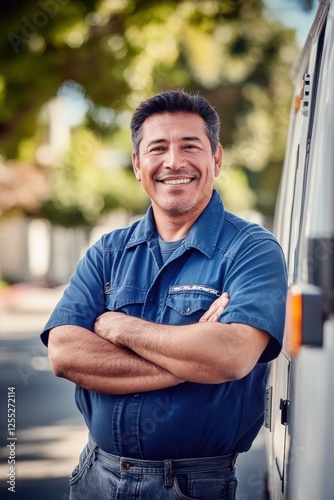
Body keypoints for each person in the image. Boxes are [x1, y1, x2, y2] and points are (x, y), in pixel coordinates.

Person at [41, 89, 287, 500]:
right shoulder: (108, 251)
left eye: (190, 146)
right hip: (95, 477)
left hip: (194, 484)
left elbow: (230, 356)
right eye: (158, 148)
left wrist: (116, 326)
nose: (174, 162)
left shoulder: (253, 250)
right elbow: (64, 352)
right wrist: (193, 358)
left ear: (217, 160)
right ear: (138, 165)